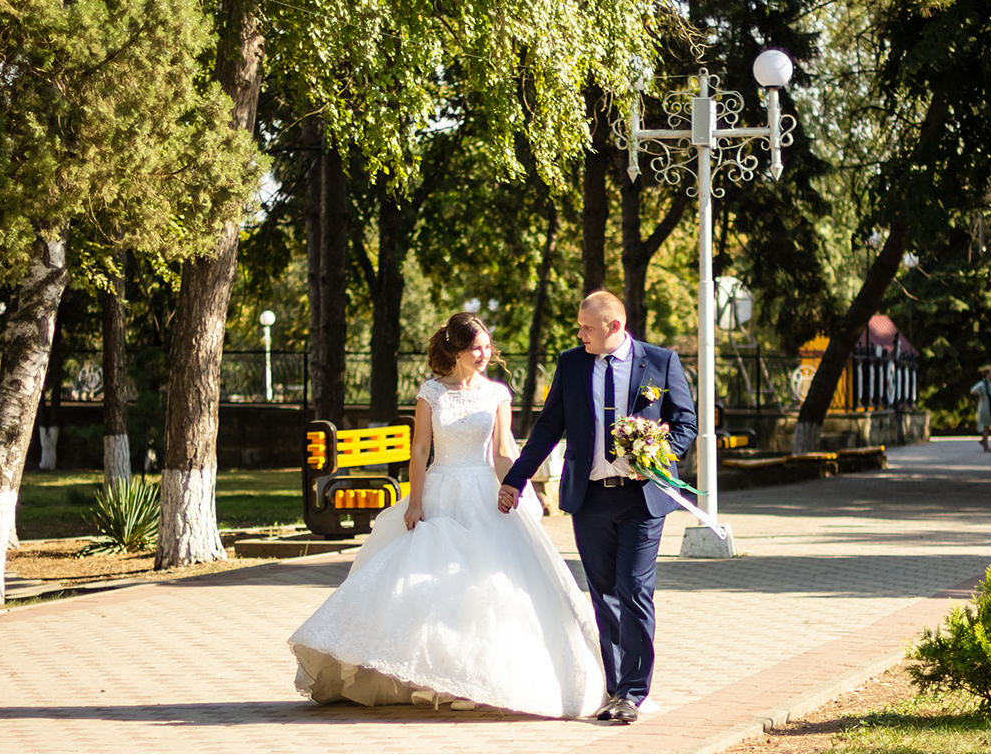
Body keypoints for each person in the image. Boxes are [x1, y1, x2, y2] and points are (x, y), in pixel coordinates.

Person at [289, 313, 604, 719]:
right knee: (429, 584)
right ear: (456, 350)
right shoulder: (432, 392)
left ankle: (476, 680)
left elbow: (502, 451)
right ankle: (437, 676)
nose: (484, 354)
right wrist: (415, 501)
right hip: (440, 492)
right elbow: (420, 450)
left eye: (487, 346)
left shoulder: (496, 394)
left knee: (482, 589)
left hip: (483, 494)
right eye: (476, 348)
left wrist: (515, 486)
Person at [499, 291, 697, 726]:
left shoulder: (660, 361)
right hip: (589, 498)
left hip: (641, 498)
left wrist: (657, 455)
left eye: (587, 327)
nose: (580, 334)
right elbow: (549, 426)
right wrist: (516, 478)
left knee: (634, 590)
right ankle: (614, 687)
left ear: (614, 326)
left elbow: (686, 422)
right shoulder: (571, 363)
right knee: (604, 594)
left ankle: (633, 693)